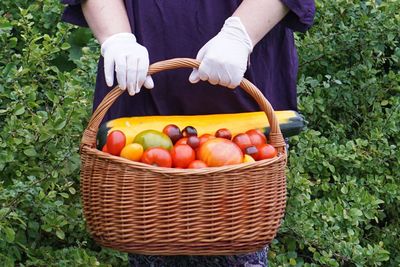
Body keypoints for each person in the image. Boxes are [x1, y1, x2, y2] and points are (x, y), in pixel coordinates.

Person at [61, 1, 315, 266]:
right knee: (149, 245)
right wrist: (117, 38)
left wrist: (240, 34)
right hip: (141, 117)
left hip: (243, 121)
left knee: (237, 247)